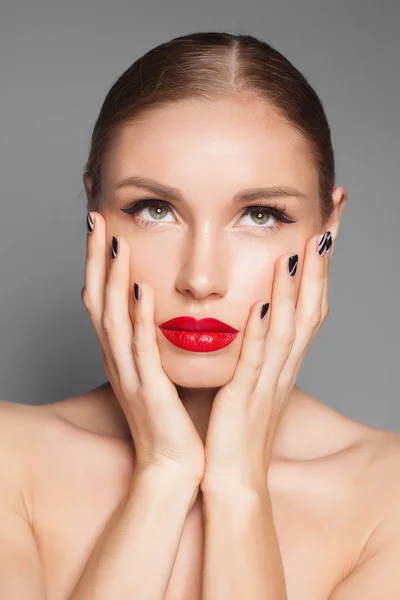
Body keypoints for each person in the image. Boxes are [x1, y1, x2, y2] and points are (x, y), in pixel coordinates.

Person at [1, 31, 399, 600]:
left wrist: (239, 488)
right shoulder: (8, 460)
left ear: (326, 231)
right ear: (95, 213)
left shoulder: (390, 497)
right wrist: (163, 474)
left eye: (261, 214)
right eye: (155, 210)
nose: (202, 279)